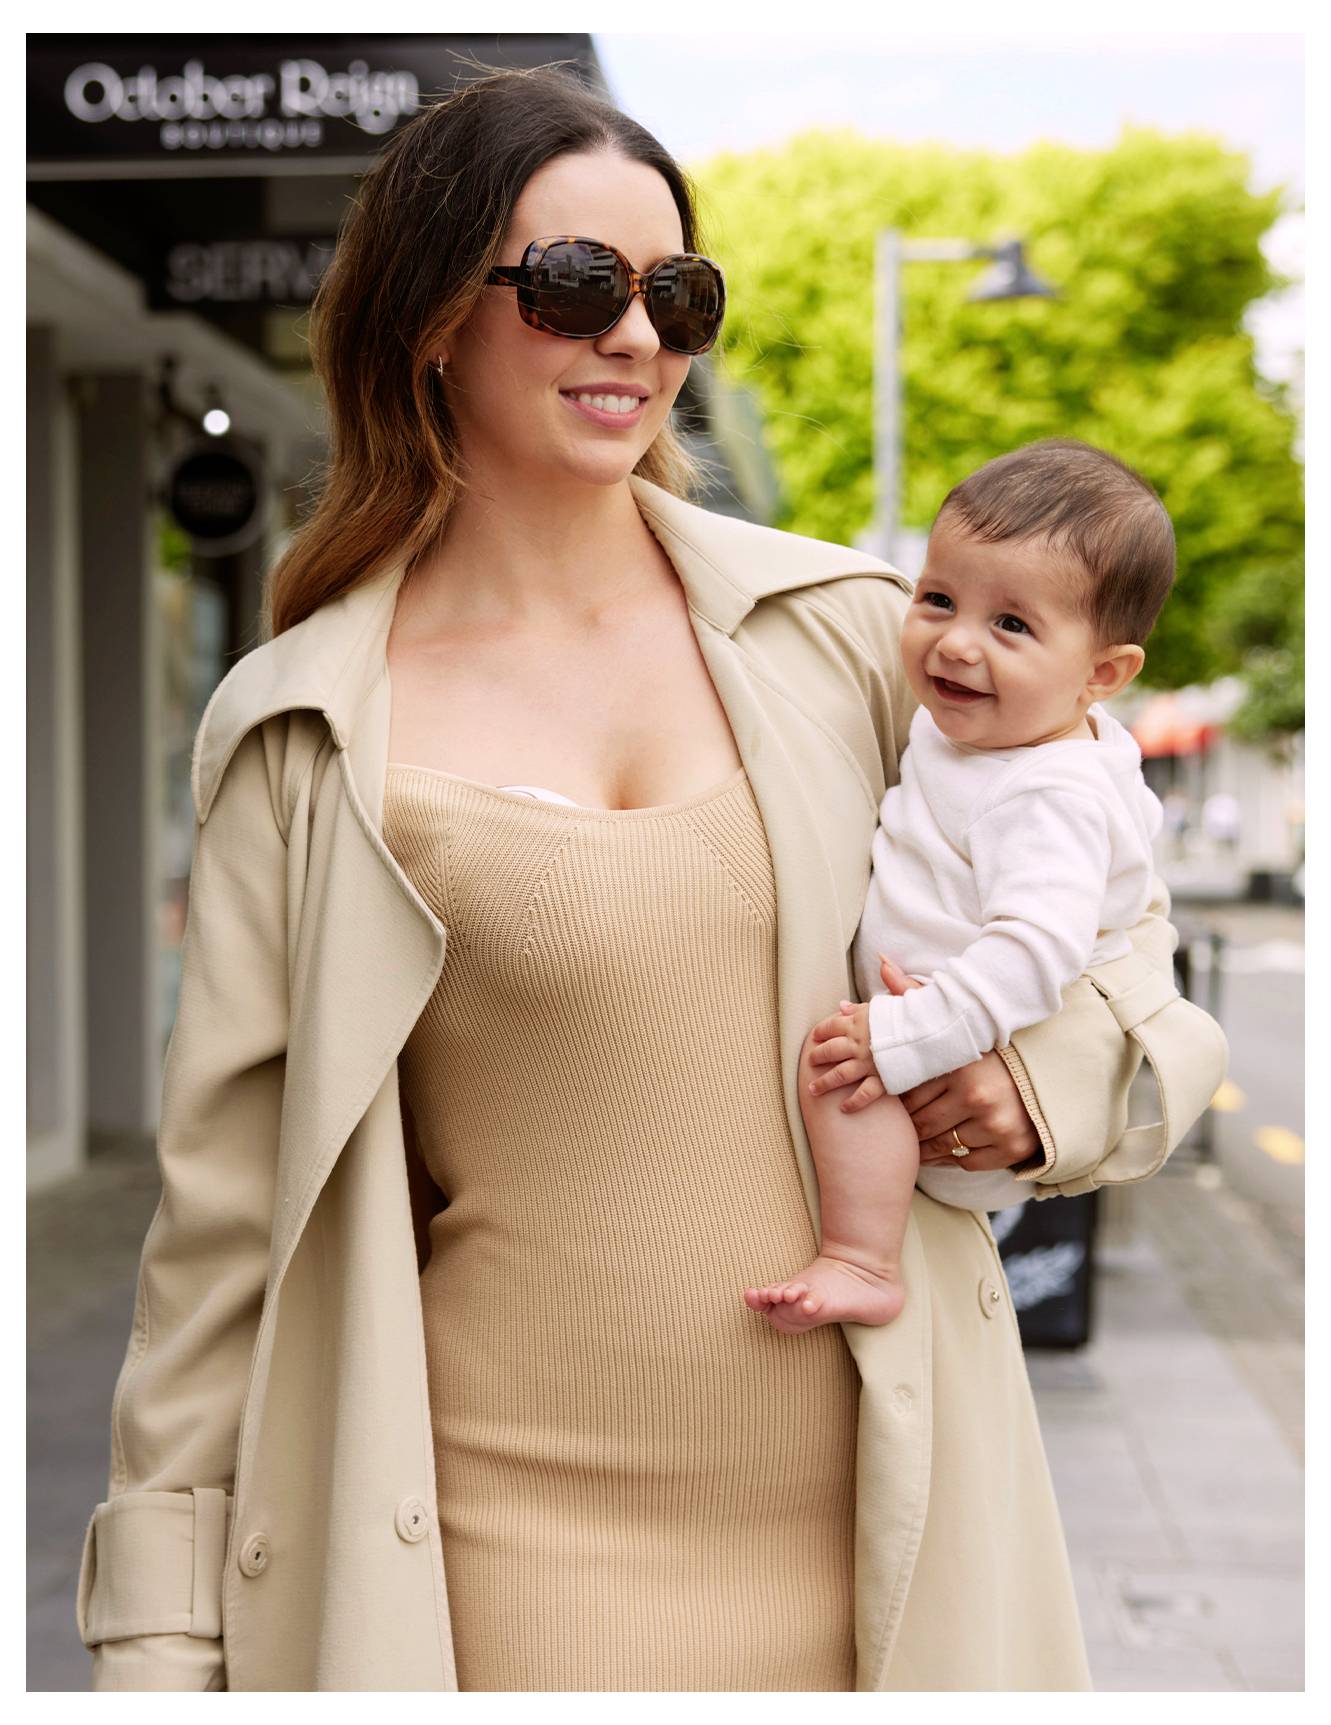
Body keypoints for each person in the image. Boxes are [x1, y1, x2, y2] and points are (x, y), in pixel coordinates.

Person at [75, 66, 1228, 1693]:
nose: (635, 338)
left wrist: (1037, 1087)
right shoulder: (307, 730)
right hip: (492, 1577)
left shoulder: (848, 638)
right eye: (571, 287)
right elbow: (222, 1244)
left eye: (676, 294)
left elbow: (1136, 952)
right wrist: (157, 1641)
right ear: (429, 318)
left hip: (889, 1554)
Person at [747, 439, 1176, 1333]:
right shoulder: (986, 734)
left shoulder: (1049, 791)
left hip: (947, 1060)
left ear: (1102, 675)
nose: (954, 642)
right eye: (937, 598)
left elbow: (1034, 951)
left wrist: (903, 1037)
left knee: (838, 1076)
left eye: (1011, 626)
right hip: (943, 1036)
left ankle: (859, 1259)